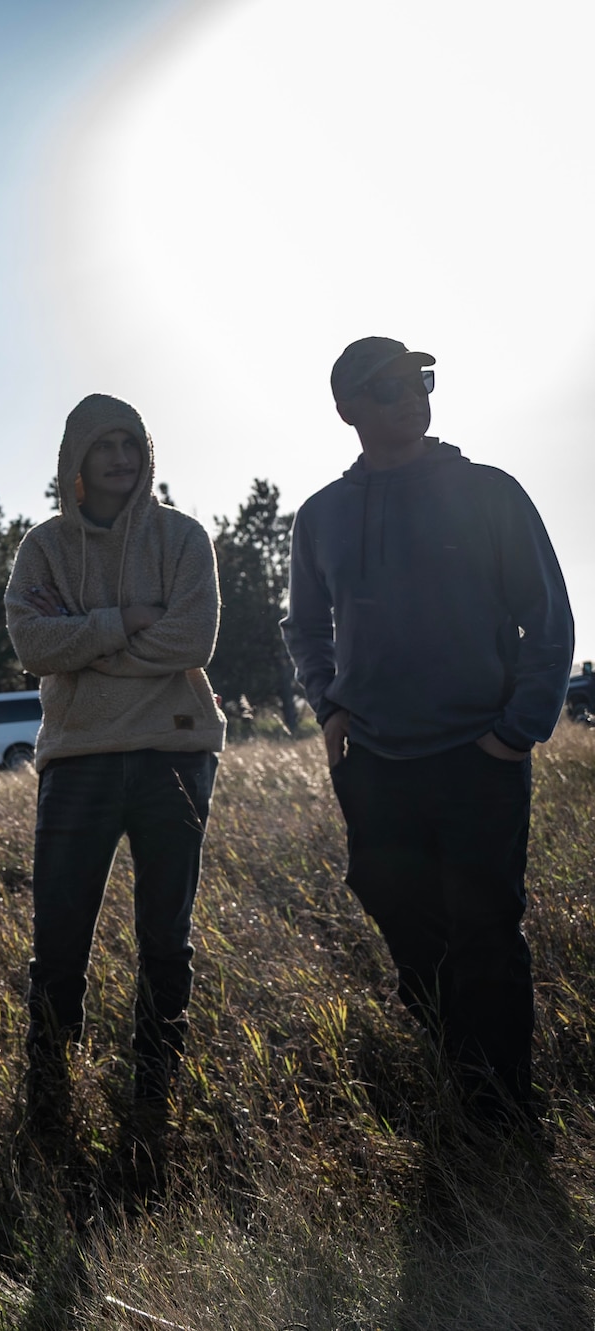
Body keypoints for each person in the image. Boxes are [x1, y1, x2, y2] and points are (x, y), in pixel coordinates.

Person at [282, 337, 573, 1127]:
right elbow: (304, 626)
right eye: (388, 387)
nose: (412, 394)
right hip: (375, 763)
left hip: (479, 753)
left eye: (420, 379)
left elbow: (548, 619)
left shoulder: (488, 492)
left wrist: (518, 732)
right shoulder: (323, 515)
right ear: (347, 408)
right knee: (405, 924)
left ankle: (506, 1114)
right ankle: (461, 1073)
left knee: (485, 930)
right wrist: (330, 708)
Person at [4, 394, 224, 1131]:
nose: (122, 458)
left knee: (166, 939)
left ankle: (154, 1093)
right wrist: (123, 622)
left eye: (133, 443)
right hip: (78, 760)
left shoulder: (183, 538)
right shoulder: (43, 549)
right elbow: (34, 645)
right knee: (59, 946)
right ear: (76, 460)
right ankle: (49, 1100)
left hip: (175, 756)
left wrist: (89, 644)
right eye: (106, 446)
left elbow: (193, 640)